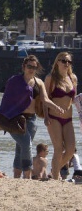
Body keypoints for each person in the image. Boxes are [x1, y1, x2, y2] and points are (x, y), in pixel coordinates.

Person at [0, 54, 64, 179]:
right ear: (24, 67)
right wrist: (5, 115)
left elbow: (45, 99)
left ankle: (16, 174)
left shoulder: (39, 83)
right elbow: (6, 99)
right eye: (29, 66)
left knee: (21, 147)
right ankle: (27, 173)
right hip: (15, 119)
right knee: (27, 144)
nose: (32, 69)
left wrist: (56, 108)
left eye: (34, 66)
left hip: (31, 120)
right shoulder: (14, 81)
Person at [43, 52, 77, 181]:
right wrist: (46, 117)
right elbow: (44, 99)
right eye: (63, 61)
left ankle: (54, 170)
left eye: (69, 61)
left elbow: (74, 100)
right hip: (53, 117)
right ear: (57, 62)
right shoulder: (50, 78)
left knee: (70, 150)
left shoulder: (73, 78)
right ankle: (56, 178)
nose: (66, 63)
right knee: (58, 148)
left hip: (68, 119)